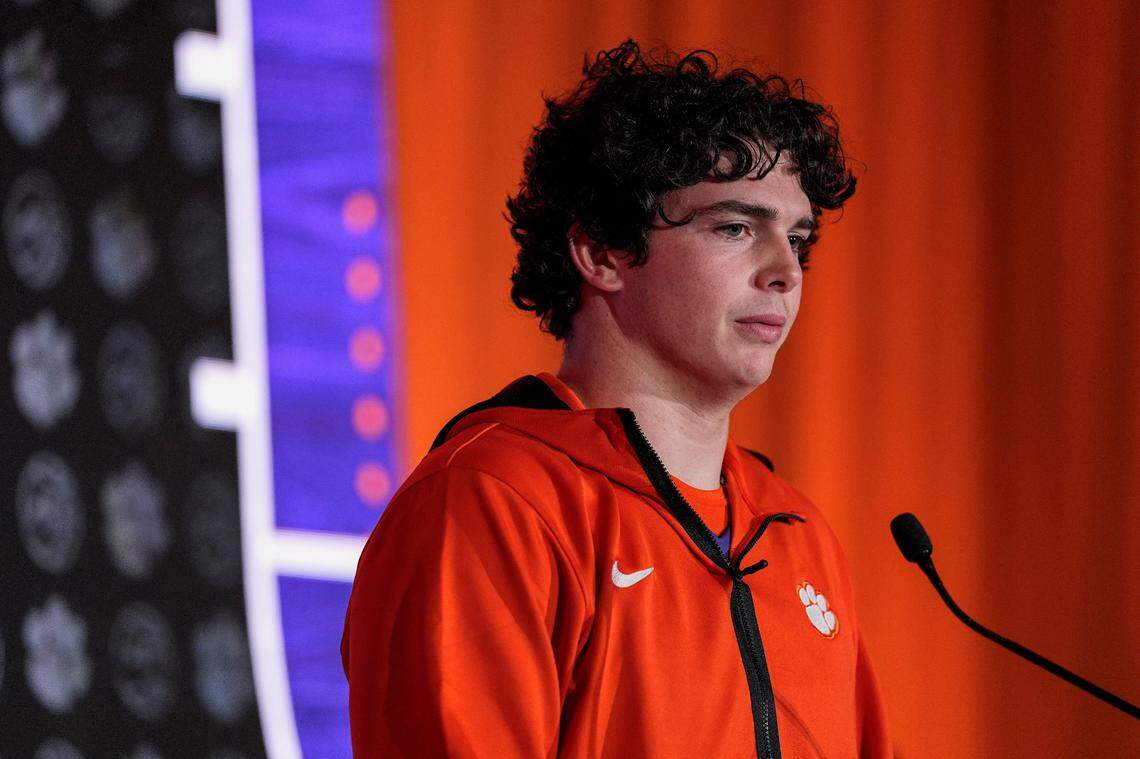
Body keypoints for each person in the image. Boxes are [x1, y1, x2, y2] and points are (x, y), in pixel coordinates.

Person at [342, 39, 891, 758]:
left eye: (797, 238)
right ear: (601, 252)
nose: (786, 270)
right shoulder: (494, 500)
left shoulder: (799, 535)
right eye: (734, 227)